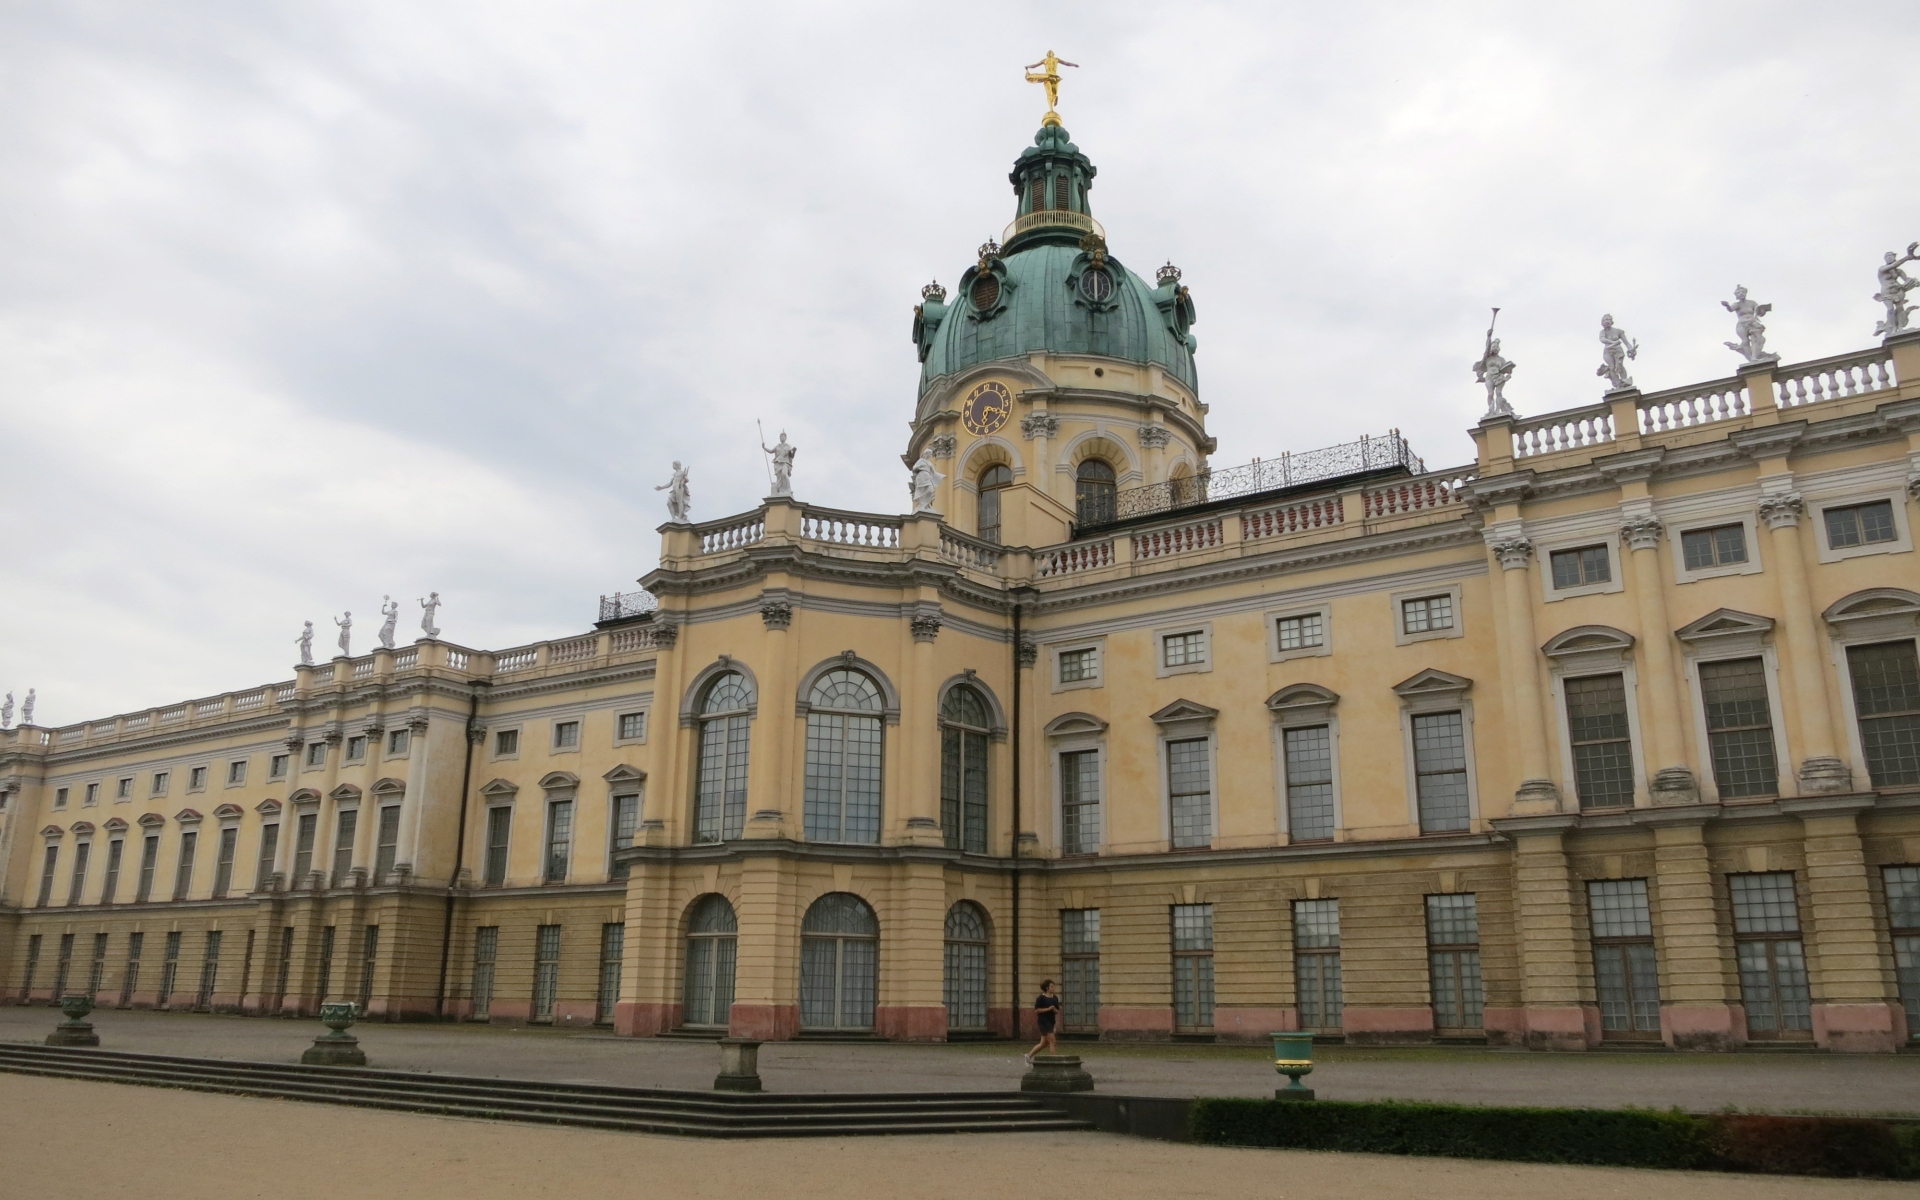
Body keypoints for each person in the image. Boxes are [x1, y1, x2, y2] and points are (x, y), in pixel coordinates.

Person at [1026, 979, 1062, 1065]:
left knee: (1044, 1043)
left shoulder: (1055, 998)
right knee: (1053, 1041)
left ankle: (1028, 1056)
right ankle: (1053, 1062)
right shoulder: (1041, 998)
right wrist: (1048, 1009)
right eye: (1051, 986)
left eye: (1054, 986)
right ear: (1047, 988)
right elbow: (1037, 1010)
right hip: (1043, 1022)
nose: (1053, 988)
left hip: (1051, 1021)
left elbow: (1057, 1011)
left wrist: (1054, 1010)